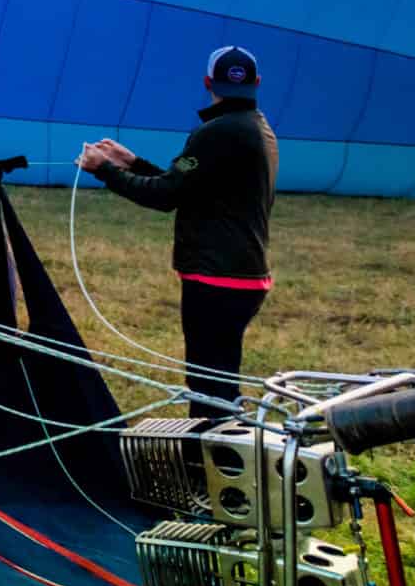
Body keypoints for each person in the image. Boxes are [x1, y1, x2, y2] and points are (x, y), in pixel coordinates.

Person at [76, 45, 278, 412]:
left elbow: (166, 196)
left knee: (207, 388)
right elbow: (187, 188)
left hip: (217, 279)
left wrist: (104, 170)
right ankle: (225, 455)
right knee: (219, 381)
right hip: (243, 276)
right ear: (257, 83)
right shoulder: (256, 128)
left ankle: (212, 461)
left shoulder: (216, 132)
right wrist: (132, 163)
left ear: (207, 82)